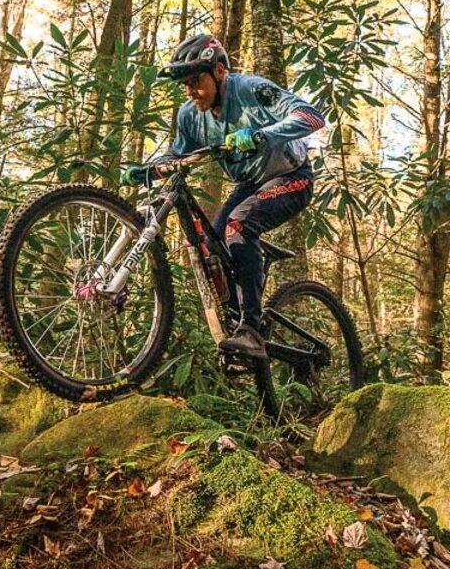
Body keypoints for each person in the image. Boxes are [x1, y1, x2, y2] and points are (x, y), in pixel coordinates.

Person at [132, 34, 326, 358]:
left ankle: (251, 329)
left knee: (238, 225)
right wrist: (148, 171)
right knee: (212, 245)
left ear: (220, 71)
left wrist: (262, 135)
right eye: (184, 85)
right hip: (248, 185)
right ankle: (237, 324)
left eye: (195, 81)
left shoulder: (252, 90)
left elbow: (311, 117)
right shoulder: (189, 115)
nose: (190, 91)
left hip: (292, 176)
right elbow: (178, 156)